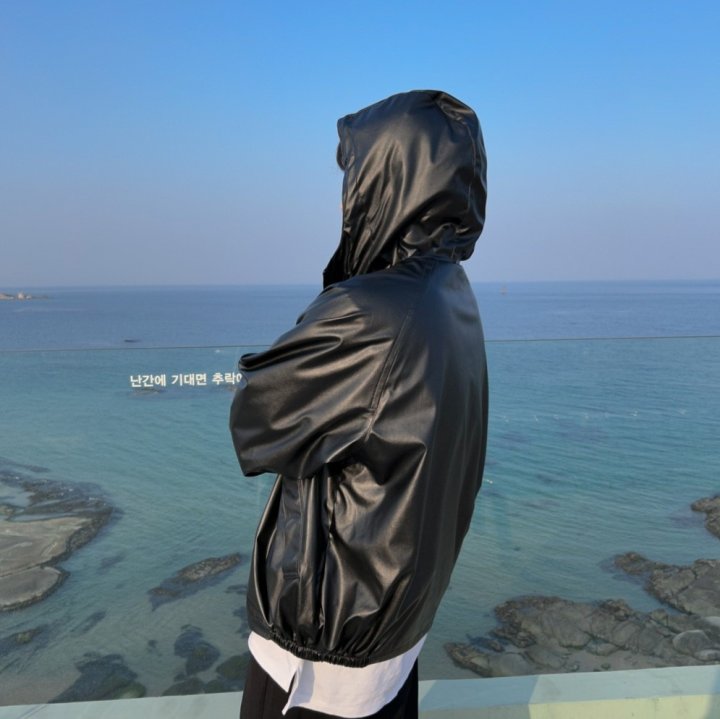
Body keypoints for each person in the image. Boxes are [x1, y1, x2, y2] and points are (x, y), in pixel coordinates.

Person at [230, 89, 488, 719]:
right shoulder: (450, 294)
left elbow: (255, 424)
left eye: (356, 175)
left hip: (320, 664)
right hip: (393, 639)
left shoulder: (372, 312)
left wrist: (337, 297)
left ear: (385, 181)